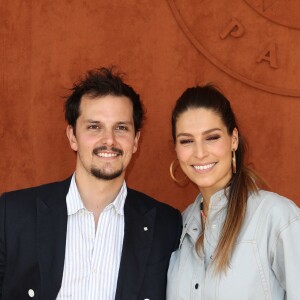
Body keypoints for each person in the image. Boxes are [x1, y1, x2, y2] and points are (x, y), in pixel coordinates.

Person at [0, 67, 182, 300]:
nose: (109, 140)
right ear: (72, 136)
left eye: (121, 128)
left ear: (136, 141)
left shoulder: (166, 225)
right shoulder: (12, 215)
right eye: (94, 127)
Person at [167, 84, 300, 299]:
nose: (199, 153)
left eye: (212, 137)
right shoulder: (179, 227)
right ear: (176, 149)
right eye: (187, 141)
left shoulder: (276, 217)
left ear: (234, 140)